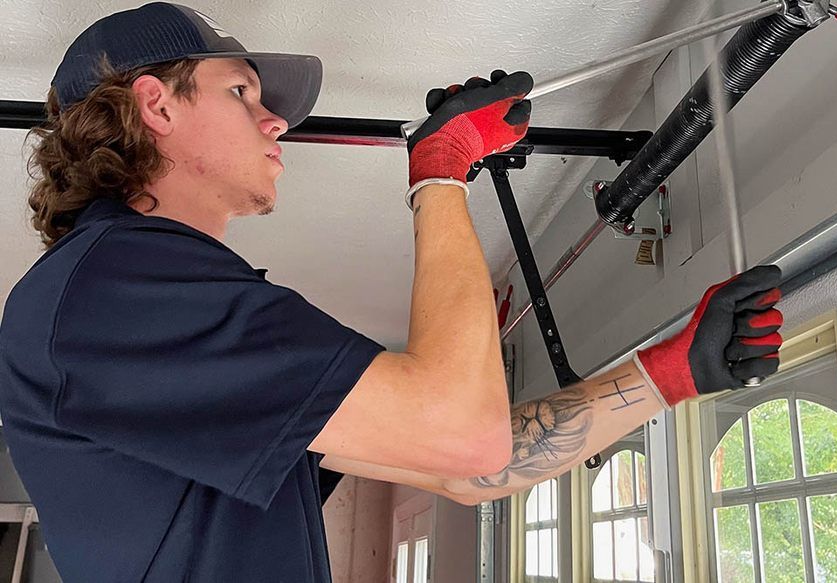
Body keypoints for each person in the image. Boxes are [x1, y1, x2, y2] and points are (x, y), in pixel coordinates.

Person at [0, 2, 783, 581]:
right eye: (241, 91)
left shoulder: (141, 307)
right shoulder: (111, 292)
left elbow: (472, 468)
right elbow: (464, 437)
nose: (274, 121)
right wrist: (440, 171)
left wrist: (674, 370)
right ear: (155, 103)